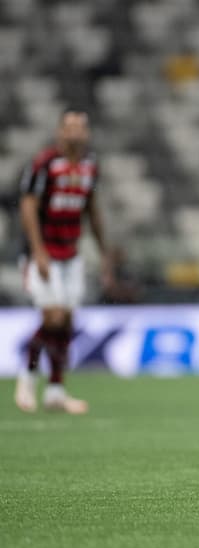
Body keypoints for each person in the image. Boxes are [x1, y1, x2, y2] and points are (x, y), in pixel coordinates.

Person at [14, 108, 112, 414]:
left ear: (87, 133)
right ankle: (27, 376)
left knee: (67, 321)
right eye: (68, 126)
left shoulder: (89, 166)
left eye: (79, 127)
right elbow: (28, 207)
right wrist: (38, 251)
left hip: (71, 253)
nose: (74, 132)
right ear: (59, 131)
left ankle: (56, 390)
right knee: (53, 317)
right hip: (44, 252)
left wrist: (103, 252)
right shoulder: (45, 163)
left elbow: (91, 209)